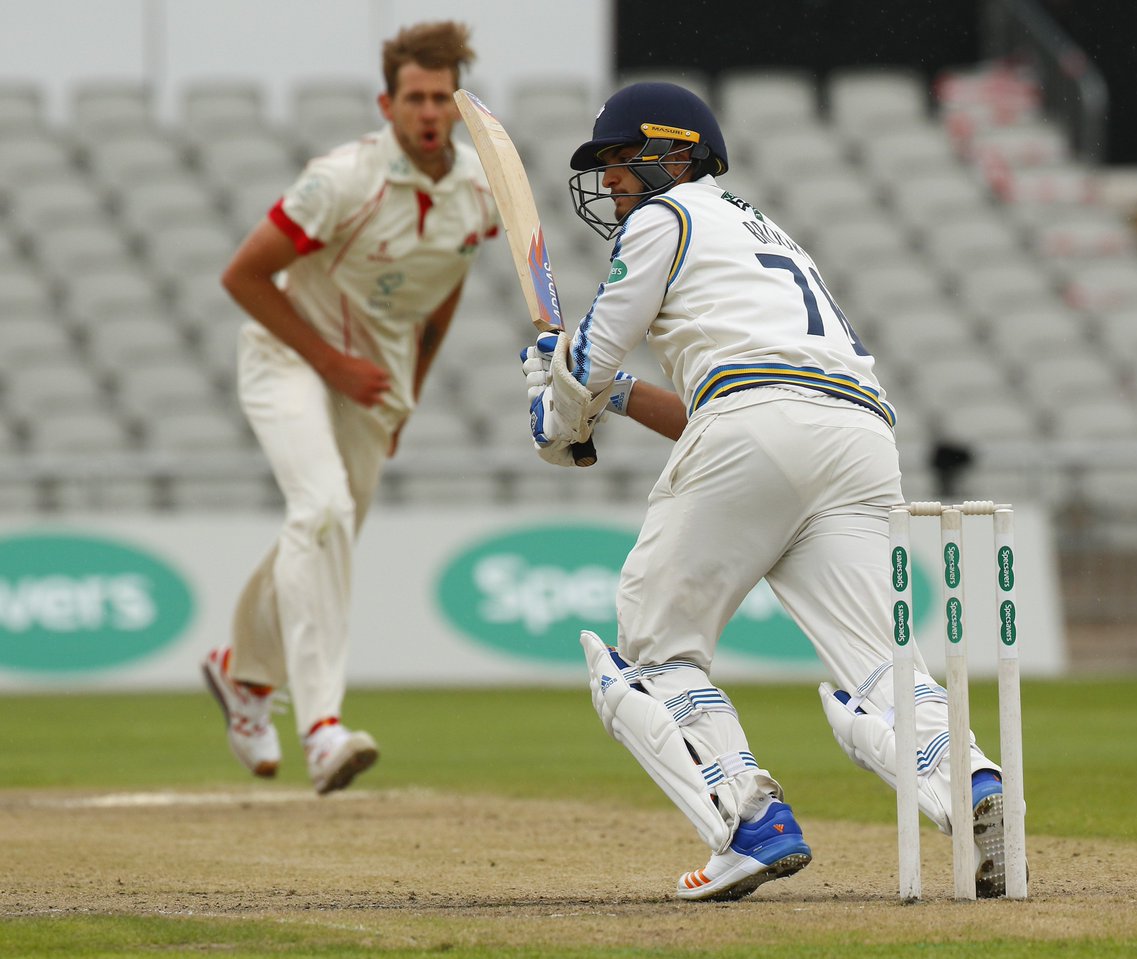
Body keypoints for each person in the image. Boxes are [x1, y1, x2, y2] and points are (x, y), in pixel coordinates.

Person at [519, 81, 1011, 901]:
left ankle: (749, 821)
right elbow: (731, 410)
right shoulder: (761, 231)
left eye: (618, 160)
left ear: (677, 152)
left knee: (651, 650)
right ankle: (976, 784)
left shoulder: (664, 218)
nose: (609, 182)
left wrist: (558, 407)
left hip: (760, 424)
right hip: (859, 440)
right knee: (881, 664)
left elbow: (598, 360)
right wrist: (600, 396)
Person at [202, 21, 497, 795]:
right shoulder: (341, 180)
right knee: (322, 509)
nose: (428, 111)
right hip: (290, 356)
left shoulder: (478, 192)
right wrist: (332, 362)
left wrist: (411, 393)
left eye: (441, 98)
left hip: (377, 376)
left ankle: (242, 673)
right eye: (415, 98)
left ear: (457, 106)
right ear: (388, 104)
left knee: (326, 529)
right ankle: (323, 728)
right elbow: (243, 275)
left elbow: (447, 286)